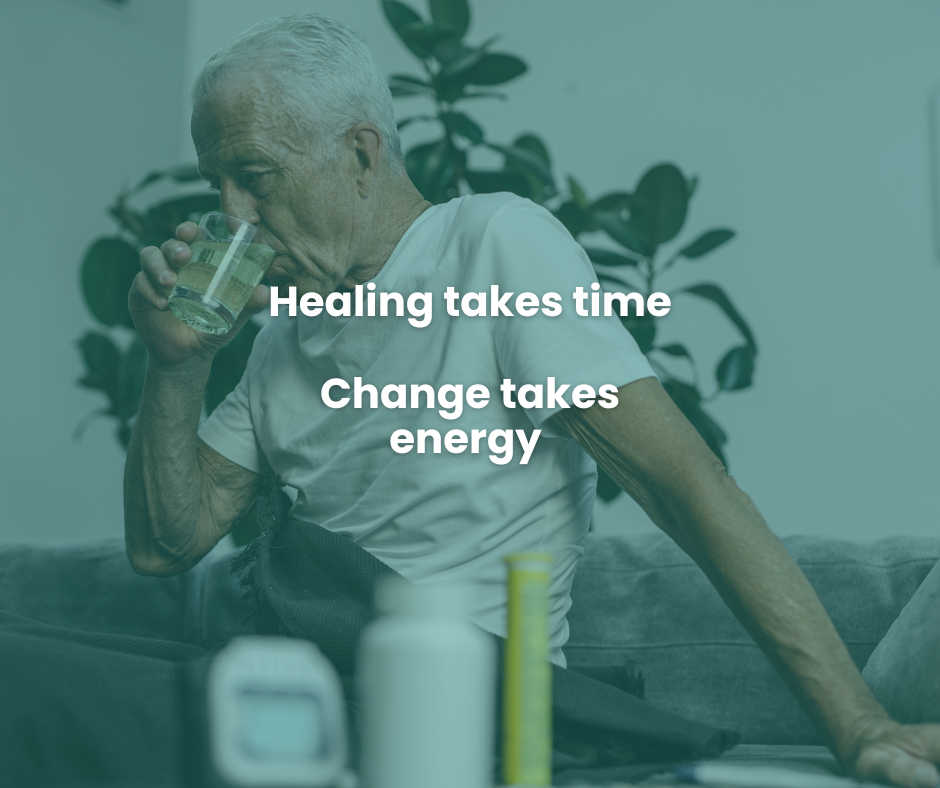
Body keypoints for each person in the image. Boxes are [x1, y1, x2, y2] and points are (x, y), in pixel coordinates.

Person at [124, 13, 940, 788]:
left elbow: (683, 484)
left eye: (254, 177)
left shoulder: (491, 246)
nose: (233, 214)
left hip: (464, 704)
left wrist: (858, 723)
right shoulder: (283, 336)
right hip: (311, 693)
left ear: (363, 154)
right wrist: (175, 367)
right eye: (217, 184)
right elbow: (168, 545)